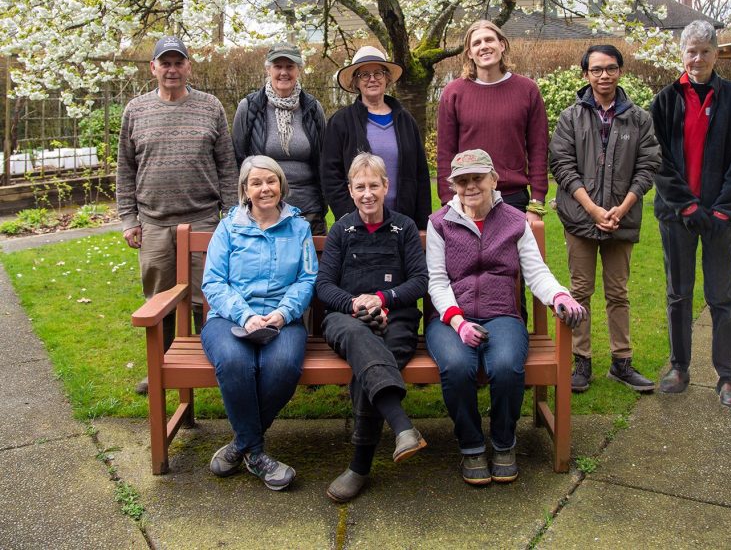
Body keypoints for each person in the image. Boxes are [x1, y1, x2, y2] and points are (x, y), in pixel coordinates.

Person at [425, 149, 584, 485]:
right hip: (452, 319)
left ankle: (503, 442)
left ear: (494, 180)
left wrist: (559, 295)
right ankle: (470, 445)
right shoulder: (440, 223)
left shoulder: (514, 222)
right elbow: (437, 281)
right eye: (462, 181)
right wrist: (458, 321)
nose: (470, 186)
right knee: (456, 366)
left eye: (477, 178)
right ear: (453, 186)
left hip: (502, 315)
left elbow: (536, 272)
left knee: (506, 365)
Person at [117, 35, 238, 395]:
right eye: (164, 63)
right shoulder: (135, 110)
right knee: (159, 299)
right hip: (154, 222)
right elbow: (125, 168)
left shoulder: (210, 106)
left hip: (203, 220)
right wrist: (128, 218)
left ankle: (214, 361)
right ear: (153, 68)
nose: (172, 69)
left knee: (209, 298)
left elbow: (227, 166)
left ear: (188, 66)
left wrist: (230, 216)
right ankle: (161, 367)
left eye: (178, 62)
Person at [316, 153, 429, 503]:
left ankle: (359, 467)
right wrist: (354, 305)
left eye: (374, 186)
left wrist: (382, 298)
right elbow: (324, 285)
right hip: (346, 318)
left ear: (386, 187)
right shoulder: (341, 229)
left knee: (372, 364)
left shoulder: (404, 228)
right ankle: (401, 426)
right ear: (350, 191)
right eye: (360, 187)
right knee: (360, 340)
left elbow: (419, 281)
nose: (368, 194)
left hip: (396, 316)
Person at [200, 156, 318, 489]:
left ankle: (241, 445)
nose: (264, 188)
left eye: (271, 181)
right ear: (245, 190)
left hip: (284, 319)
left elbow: (307, 279)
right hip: (229, 318)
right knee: (235, 363)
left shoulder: (298, 227)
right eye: (256, 183)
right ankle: (257, 455)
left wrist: (282, 313)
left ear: (281, 185)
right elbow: (213, 282)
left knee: (282, 366)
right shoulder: (228, 227)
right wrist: (246, 315)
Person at [549, 44, 661, 394]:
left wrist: (621, 208)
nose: (603, 76)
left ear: (620, 71)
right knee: (580, 292)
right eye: (596, 70)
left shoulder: (639, 119)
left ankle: (621, 363)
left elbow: (648, 167)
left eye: (610, 68)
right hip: (581, 220)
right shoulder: (571, 118)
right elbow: (562, 166)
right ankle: (581, 361)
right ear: (585, 74)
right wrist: (593, 210)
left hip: (621, 219)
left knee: (618, 293)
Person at [651, 20, 731, 408]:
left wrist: (723, 209)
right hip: (677, 216)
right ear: (681, 54)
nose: (698, 57)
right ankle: (679, 366)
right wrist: (685, 204)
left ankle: (727, 376)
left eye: (705, 50)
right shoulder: (665, 100)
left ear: (716, 54)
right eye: (691, 50)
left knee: (721, 295)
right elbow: (657, 159)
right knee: (678, 294)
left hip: (721, 216)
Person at [436, 19, 549, 318]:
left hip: (512, 199)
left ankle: (513, 347)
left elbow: (538, 149)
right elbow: (445, 151)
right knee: (466, 277)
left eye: (490, 40)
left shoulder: (527, 90)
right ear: (469, 54)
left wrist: (536, 202)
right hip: (468, 199)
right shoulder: (454, 93)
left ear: (502, 45)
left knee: (514, 281)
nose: (484, 46)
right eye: (476, 43)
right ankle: (467, 343)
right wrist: (450, 203)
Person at [321, 46, 431, 230]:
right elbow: (330, 175)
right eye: (364, 74)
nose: (372, 79)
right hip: (360, 223)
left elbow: (420, 174)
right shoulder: (341, 122)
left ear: (387, 78)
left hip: (403, 221)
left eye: (378, 73)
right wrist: (351, 216)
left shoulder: (406, 121)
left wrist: (422, 223)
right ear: (356, 82)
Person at [232, 42, 327, 235]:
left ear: (298, 70)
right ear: (268, 69)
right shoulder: (249, 108)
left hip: (308, 209)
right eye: (278, 66)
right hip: (263, 210)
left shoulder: (312, 108)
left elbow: (324, 158)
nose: (284, 72)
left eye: (290, 67)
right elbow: (238, 158)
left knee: (311, 265)